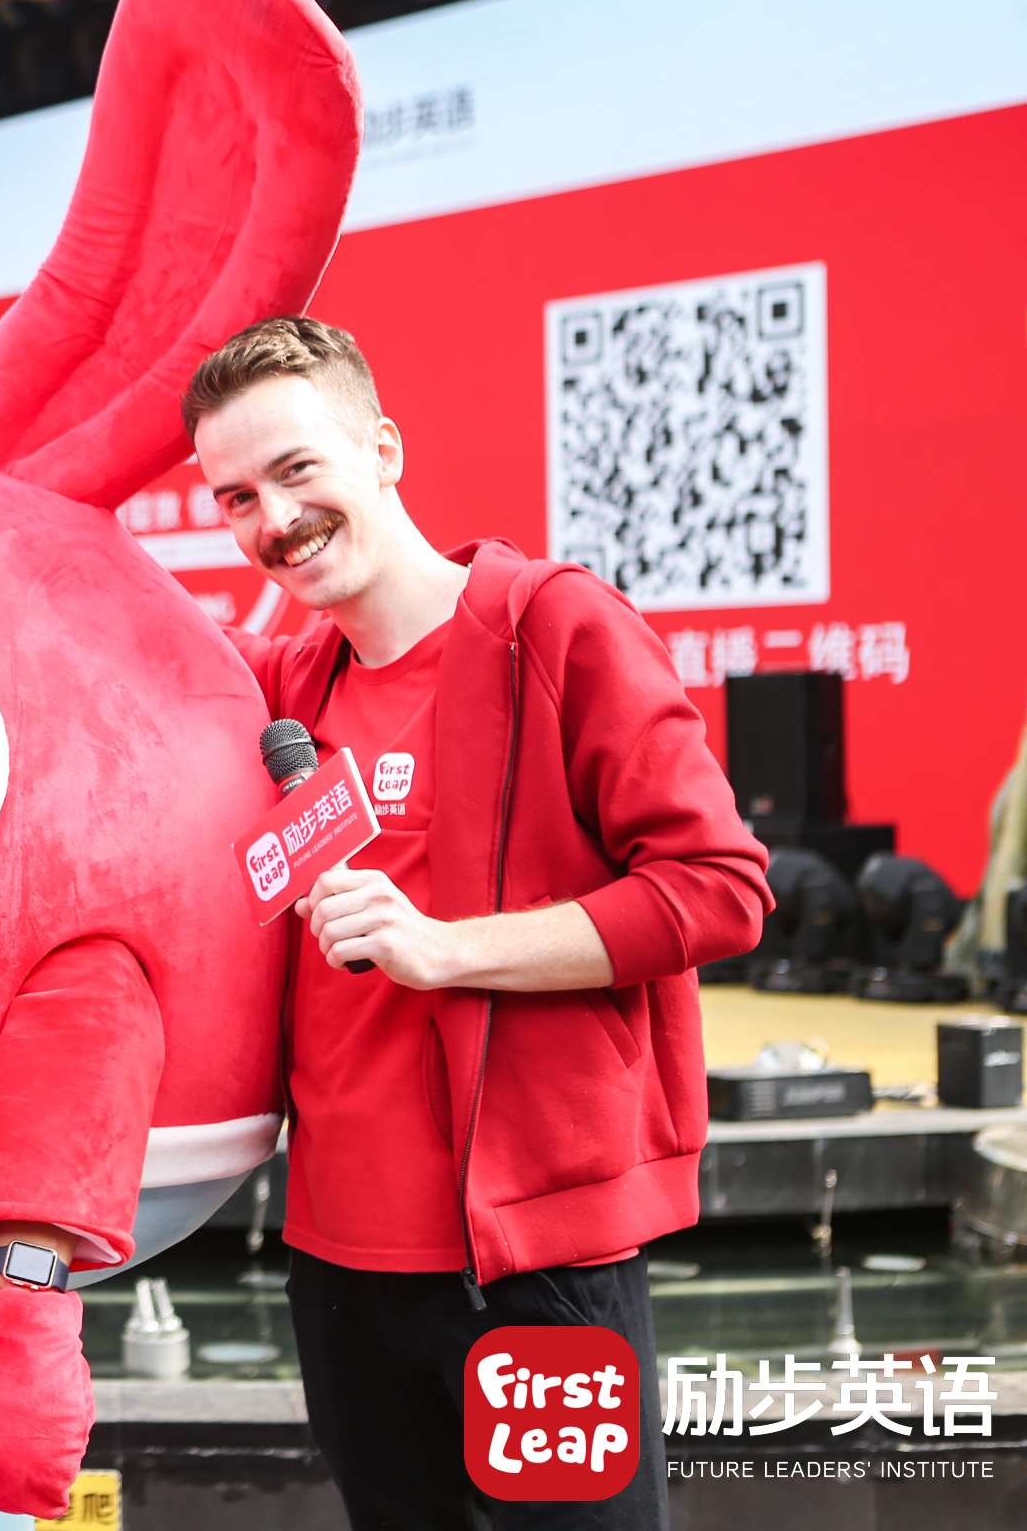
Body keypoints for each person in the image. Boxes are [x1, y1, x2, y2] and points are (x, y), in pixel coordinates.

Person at [186, 318, 770, 1530]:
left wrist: (449, 946)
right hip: (338, 1264)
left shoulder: (552, 627)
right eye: (237, 496)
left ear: (384, 449)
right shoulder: (289, 685)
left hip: (537, 1268)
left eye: (298, 470)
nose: (274, 518)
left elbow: (720, 887)